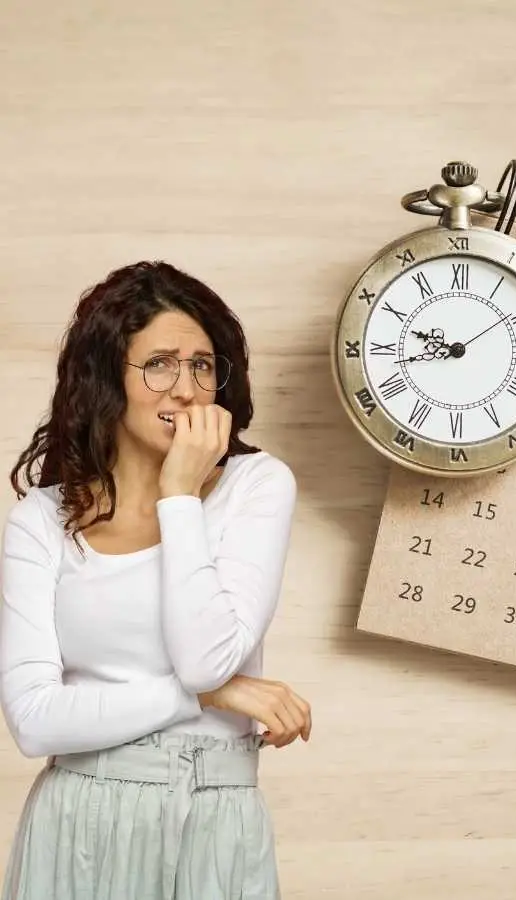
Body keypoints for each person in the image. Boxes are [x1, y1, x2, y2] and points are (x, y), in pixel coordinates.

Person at [0, 261, 312, 900]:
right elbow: (35, 721)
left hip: (213, 815)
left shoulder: (257, 486)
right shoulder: (41, 519)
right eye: (160, 363)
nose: (187, 389)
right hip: (77, 823)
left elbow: (208, 659)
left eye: (203, 365)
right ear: (105, 380)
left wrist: (178, 493)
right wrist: (205, 699)